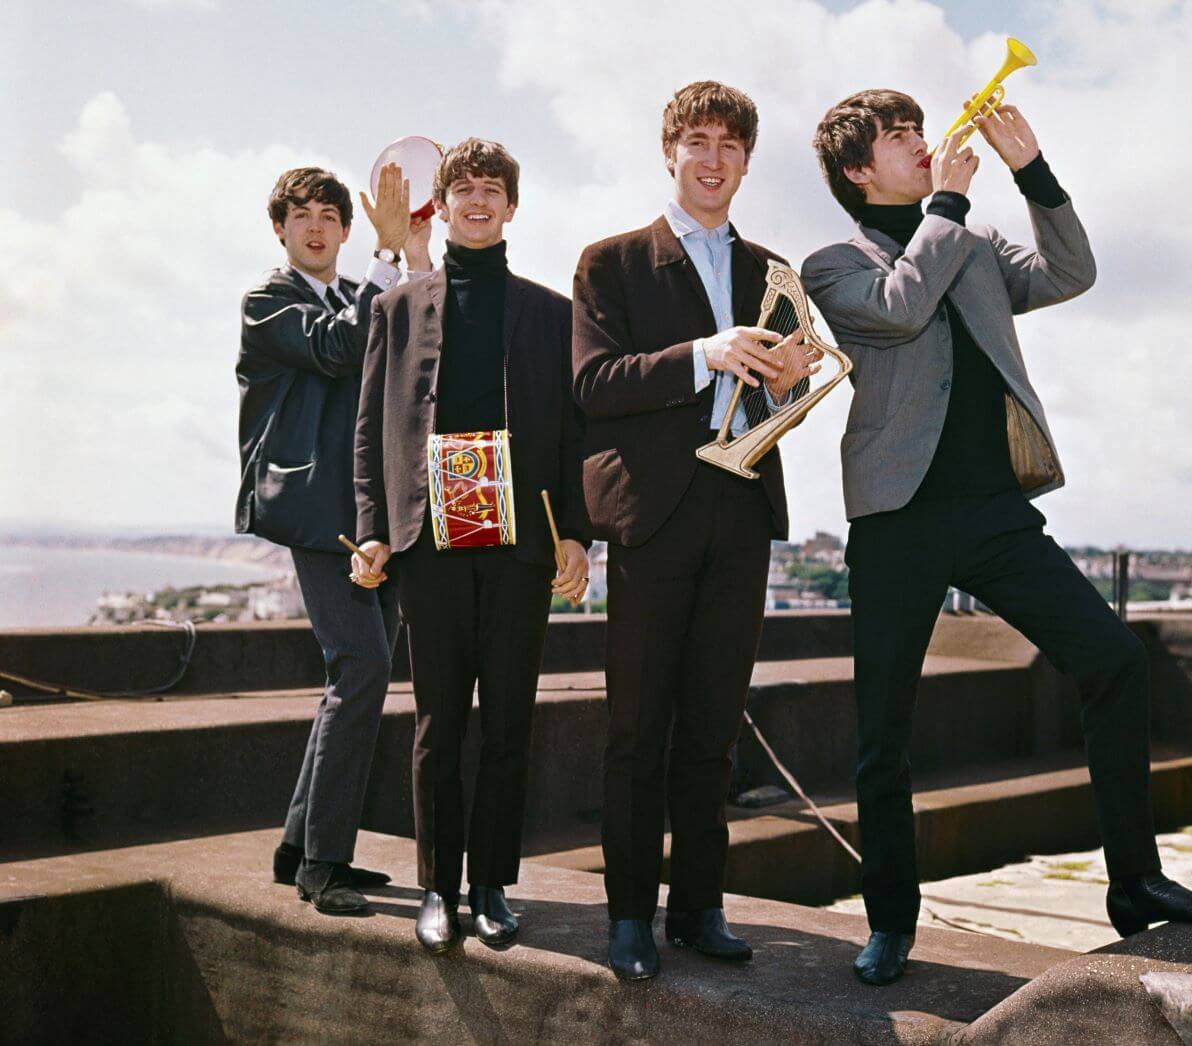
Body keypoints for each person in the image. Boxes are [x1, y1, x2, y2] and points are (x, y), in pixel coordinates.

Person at [802, 90, 1192, 986]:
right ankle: (891, 920)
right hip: (896, 519)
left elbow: (1068, 274)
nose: (925, 144)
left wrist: (1033, 173)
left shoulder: (969, 241)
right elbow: (898, 309)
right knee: (880, 734)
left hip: (993, 510)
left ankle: (1136, 884)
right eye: (901, 138)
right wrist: (948, 205)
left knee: (1113, 659)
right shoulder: (832, 264)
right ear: (859, 171)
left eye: (917, 129)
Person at [571, 81, 818, 981]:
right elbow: (594, 385)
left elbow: (783, 397)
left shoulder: (773, 270)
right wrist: (699, 357)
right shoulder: (610, 263)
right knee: (636, 729)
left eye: (730, 145)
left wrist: (792, 382)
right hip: (655, 518)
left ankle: (699, 909)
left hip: (741, 511)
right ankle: (629, 916)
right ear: (670, 151)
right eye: (697, 142)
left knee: (714, 726)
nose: (713, 159)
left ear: (748, 161)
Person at [350, 138, 589, 953]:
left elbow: (573, 435)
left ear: (512, 207)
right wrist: (375, 526)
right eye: (464, 189)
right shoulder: (396, 307)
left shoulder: (554, 314)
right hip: (429, 542)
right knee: (438, 724)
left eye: (493, 190)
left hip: (520, 543)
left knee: (510, 724)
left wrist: (579, 536)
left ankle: (491, 888)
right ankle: (436, 890)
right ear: (441, 206)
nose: (478, 201)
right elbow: (368, 429)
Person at [236, 164, 433, 913]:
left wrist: (414, 253)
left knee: (353, 676)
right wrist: (386, 259)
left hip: (368, 512)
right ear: (280, 229)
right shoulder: (268, 300)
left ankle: (297, 848)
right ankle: (324, 864)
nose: (315, 225)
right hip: (316, 511)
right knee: (361, 667)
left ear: (344, 229)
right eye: (300, 215)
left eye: (328, 214)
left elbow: (421, 339)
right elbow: (334, 347)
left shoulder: (366, 291)